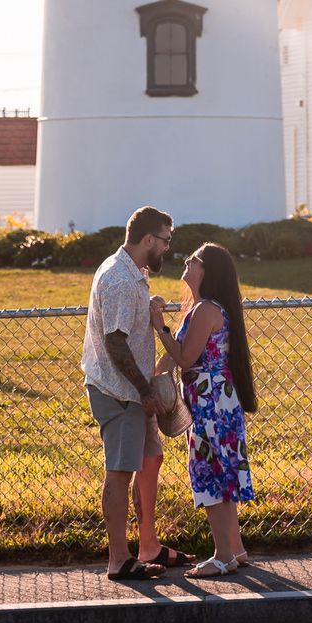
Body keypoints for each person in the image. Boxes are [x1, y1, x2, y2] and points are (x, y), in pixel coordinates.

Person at [82, 205, 195, 580]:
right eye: (165, 240)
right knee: (119, 472)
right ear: (148, 238)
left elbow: (125, 328)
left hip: (134, 389)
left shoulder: (134, 274)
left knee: (151, 460)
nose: (167, 248)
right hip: (119, 392)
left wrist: (150, 313)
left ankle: (148, 545)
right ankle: (119, 559)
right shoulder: (117, 278)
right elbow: (115, 343)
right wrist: (145, 391)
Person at [151, 241, 257, 577]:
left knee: (211, 473)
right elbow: (177, 356)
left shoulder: (206, 310)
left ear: (206, 271)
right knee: (223, 472)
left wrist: (160, 327)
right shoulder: (201, 308)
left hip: (210, 402)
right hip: (215, 399)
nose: (187, 261)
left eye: (194, 260)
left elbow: (185, 357)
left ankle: (222, 555)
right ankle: (235, 549)